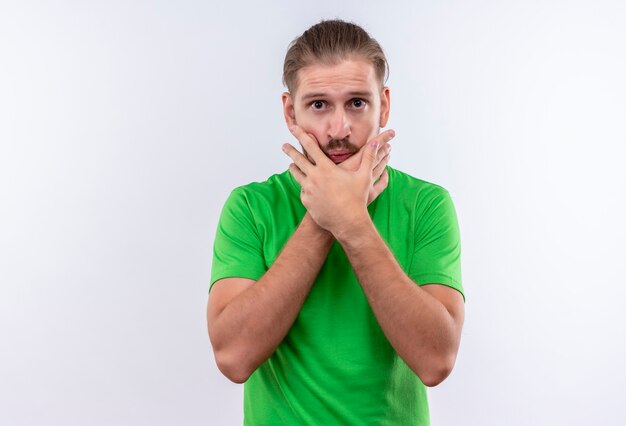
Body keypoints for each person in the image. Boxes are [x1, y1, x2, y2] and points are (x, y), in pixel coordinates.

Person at [207, 19, 465, 425]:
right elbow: (233, 358)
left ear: (385, 105)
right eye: (319, 104)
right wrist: (324, 216)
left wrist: (352, 223)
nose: (339, 129)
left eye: (357, 103)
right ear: (291, 112)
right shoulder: (250, 207)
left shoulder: (427, 205)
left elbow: (436, 361)